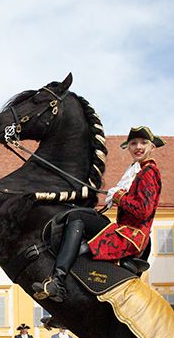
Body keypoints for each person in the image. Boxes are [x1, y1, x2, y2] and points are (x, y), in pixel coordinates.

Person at [32, 126, 164, 302]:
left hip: (130, 236)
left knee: (77, 216)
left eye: (143, 143)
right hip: (124, 231)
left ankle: (58, 280)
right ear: (128, 147)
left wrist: (119, 196)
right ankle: (64, 294)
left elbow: (143, 211)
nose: (138, 147)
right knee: (79, 215)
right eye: (133, 143)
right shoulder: (135, 171)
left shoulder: (149, 173)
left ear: (152, 147)